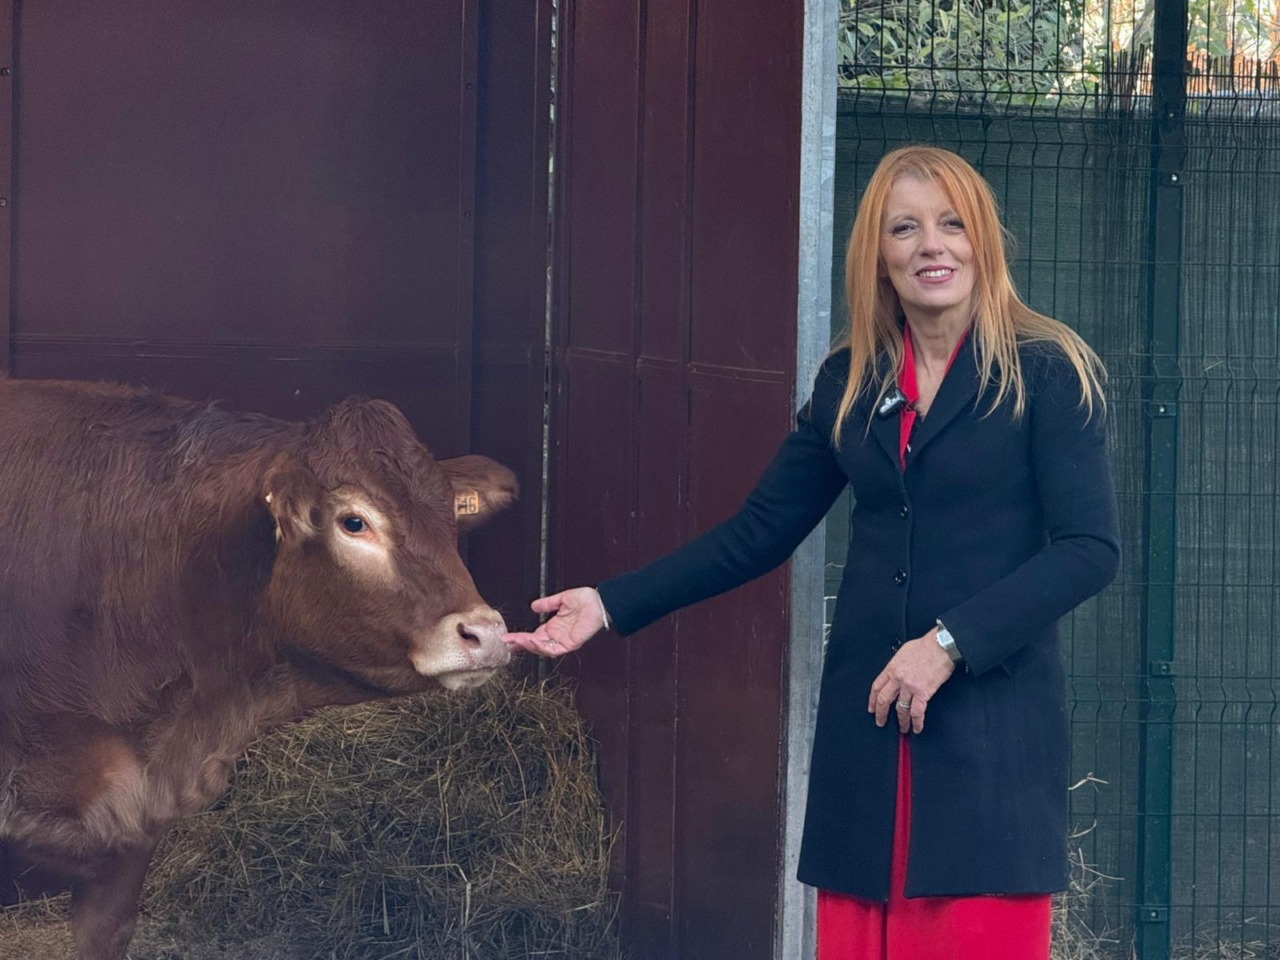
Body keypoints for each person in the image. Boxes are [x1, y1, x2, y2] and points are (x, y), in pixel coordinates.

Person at [503, 145, 1120, 959]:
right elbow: (758, 532)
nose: (931, 245)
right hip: (868, 740)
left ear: (983, 241)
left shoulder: (1047, 372)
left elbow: (1089, 549)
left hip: (988, 742)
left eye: (951, 224)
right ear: (878, 255)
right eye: (904, 229)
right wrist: (611, 603)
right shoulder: (850, 381)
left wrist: (947, 644)